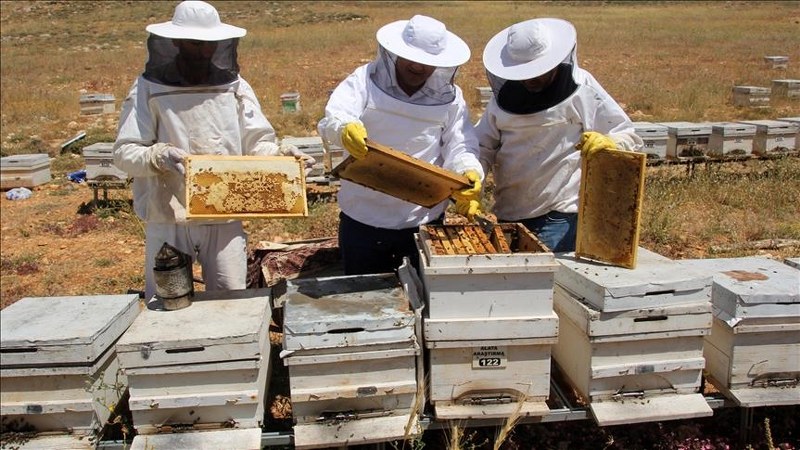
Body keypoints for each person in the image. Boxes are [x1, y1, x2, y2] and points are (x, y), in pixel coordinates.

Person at [114, 0, 313, 300]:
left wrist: (283, 158)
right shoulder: (148, 88)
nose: (205, 52)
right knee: (168, 303)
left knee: (231, 301)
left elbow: (257, 144)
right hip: (169, 215)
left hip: (225, 213)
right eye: (196, 44)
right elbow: (125, 153)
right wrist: (158, 157)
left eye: (211, 44)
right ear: (176, 42)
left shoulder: (235, 86)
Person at [318, 14, 484, 275]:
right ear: (395, 53)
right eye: (411, 58)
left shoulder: (452, 99)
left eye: (428, 62)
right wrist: (343, 129)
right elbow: (336, 115)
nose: (418, 67)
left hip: (422, 220)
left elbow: (460, 144)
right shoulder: (364, 80)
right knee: (363, 299)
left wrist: (468, 172)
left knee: (422, 303)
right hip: (363, 216)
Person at [475, 18, 643, 253]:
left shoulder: (582, 88)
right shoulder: (502, 98)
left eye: (537, 71)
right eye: (522, 73)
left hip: (558, 216)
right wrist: (473, 176)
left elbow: (627, 134)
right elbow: (483, 146)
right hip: (508, 212)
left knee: (543, 285)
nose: (530, 79)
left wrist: (610, 142)